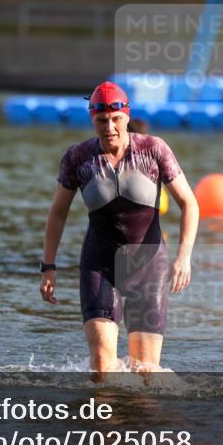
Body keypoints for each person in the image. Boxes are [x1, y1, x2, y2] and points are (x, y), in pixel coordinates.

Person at [40, 82, 199, 377]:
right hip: (100, 266)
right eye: (102, 121)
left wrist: (184, 258)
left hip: (148, 267)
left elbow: (189, 203)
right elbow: (58, 212)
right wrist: (48, 266)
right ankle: (103, 420)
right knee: (101, 368)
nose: (109, 127)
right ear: (93, 120)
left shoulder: (154, 150)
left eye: (115, 120)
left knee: (146, 372)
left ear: (126, 117)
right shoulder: (78, 158)